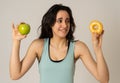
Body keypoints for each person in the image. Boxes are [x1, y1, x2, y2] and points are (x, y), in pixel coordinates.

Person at [10, 4, 109, 83]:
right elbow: (15, 75)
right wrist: (16, 41)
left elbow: (104, 79)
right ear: (50, 23)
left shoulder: (78, 47)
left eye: (67, 21)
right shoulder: (38, 46)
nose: (65, 25)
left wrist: (97, 49)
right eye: (60, 21)